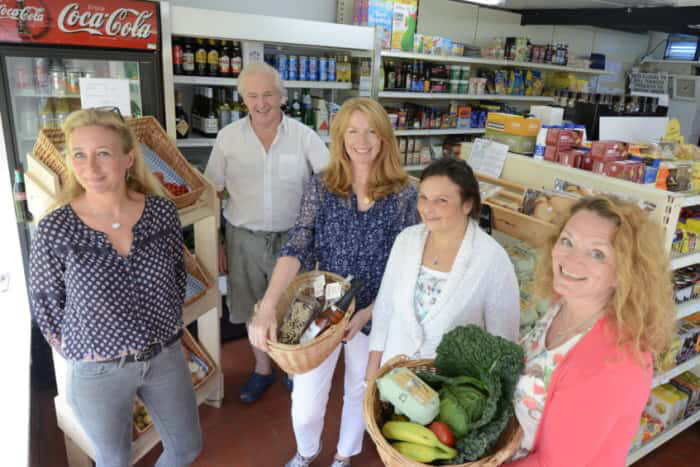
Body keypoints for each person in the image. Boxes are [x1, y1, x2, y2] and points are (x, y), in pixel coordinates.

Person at [248, 97, 419, 467]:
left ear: (385, 138)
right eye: (353, 130)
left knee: (360, 388)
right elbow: (296, 245)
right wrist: (267, 306)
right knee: (307, 399)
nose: (362, 140)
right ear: (339, 137)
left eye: (372, 130)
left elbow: (409, 266)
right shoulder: (321, 187)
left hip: (377, 307)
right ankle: (306, 452)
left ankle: (343, 456)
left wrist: (372, 310)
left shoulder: (406, 194)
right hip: (322, 306)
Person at [29, 108, 202, 467]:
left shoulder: (160, 212)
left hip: (164, 355)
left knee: (186, 447)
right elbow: (46, 304)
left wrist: (166, 326)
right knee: (114, 458)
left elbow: (177, 274)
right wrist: (89, 349)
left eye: (103, 153)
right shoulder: (55, 228)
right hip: (98, 370)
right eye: (79, 154)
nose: (90, 167)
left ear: (128, 158)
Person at [509, 196, 676, 466]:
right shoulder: (562, 303)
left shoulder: (614, 364)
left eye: (597, 253)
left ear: (624, 271)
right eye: (567, 241)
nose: (572, 259)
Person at [204, 62, 330, 403]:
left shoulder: (304, 136)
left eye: (269, 94)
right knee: (248, 307)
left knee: (295, 308)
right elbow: (213, 191)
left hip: (293, 240)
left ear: (282, 96)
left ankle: (290, 368)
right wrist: (216, 243)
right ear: (242, 98)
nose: (261, 103)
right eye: (253, 95)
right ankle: (262, 368)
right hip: (241, 236)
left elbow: (330, 182)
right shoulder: (227, 138)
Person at [366, 158, 520, 376]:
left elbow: (503, 341)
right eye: (423, 198)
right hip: (393, 377)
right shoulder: (406, 240)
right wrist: (372, 372)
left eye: (442, 201)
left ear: (467, 204)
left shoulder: (492, 260)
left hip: (450, 391)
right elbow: (384, 308)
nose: (428, 209)